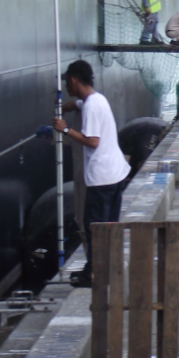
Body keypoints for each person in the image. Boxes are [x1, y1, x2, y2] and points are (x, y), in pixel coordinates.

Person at [52, 60, 131, 288]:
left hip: (102, 177)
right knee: (109, 225)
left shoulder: (91, 107)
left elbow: (92, 141)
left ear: (74, 81)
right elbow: (83, 103)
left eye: (68, 83)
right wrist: (73, 104)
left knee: (93, 226)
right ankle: (105, 268)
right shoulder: (96, 99)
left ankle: (94, 274)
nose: (67, 87)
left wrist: (65, 129)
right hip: (115, 173)